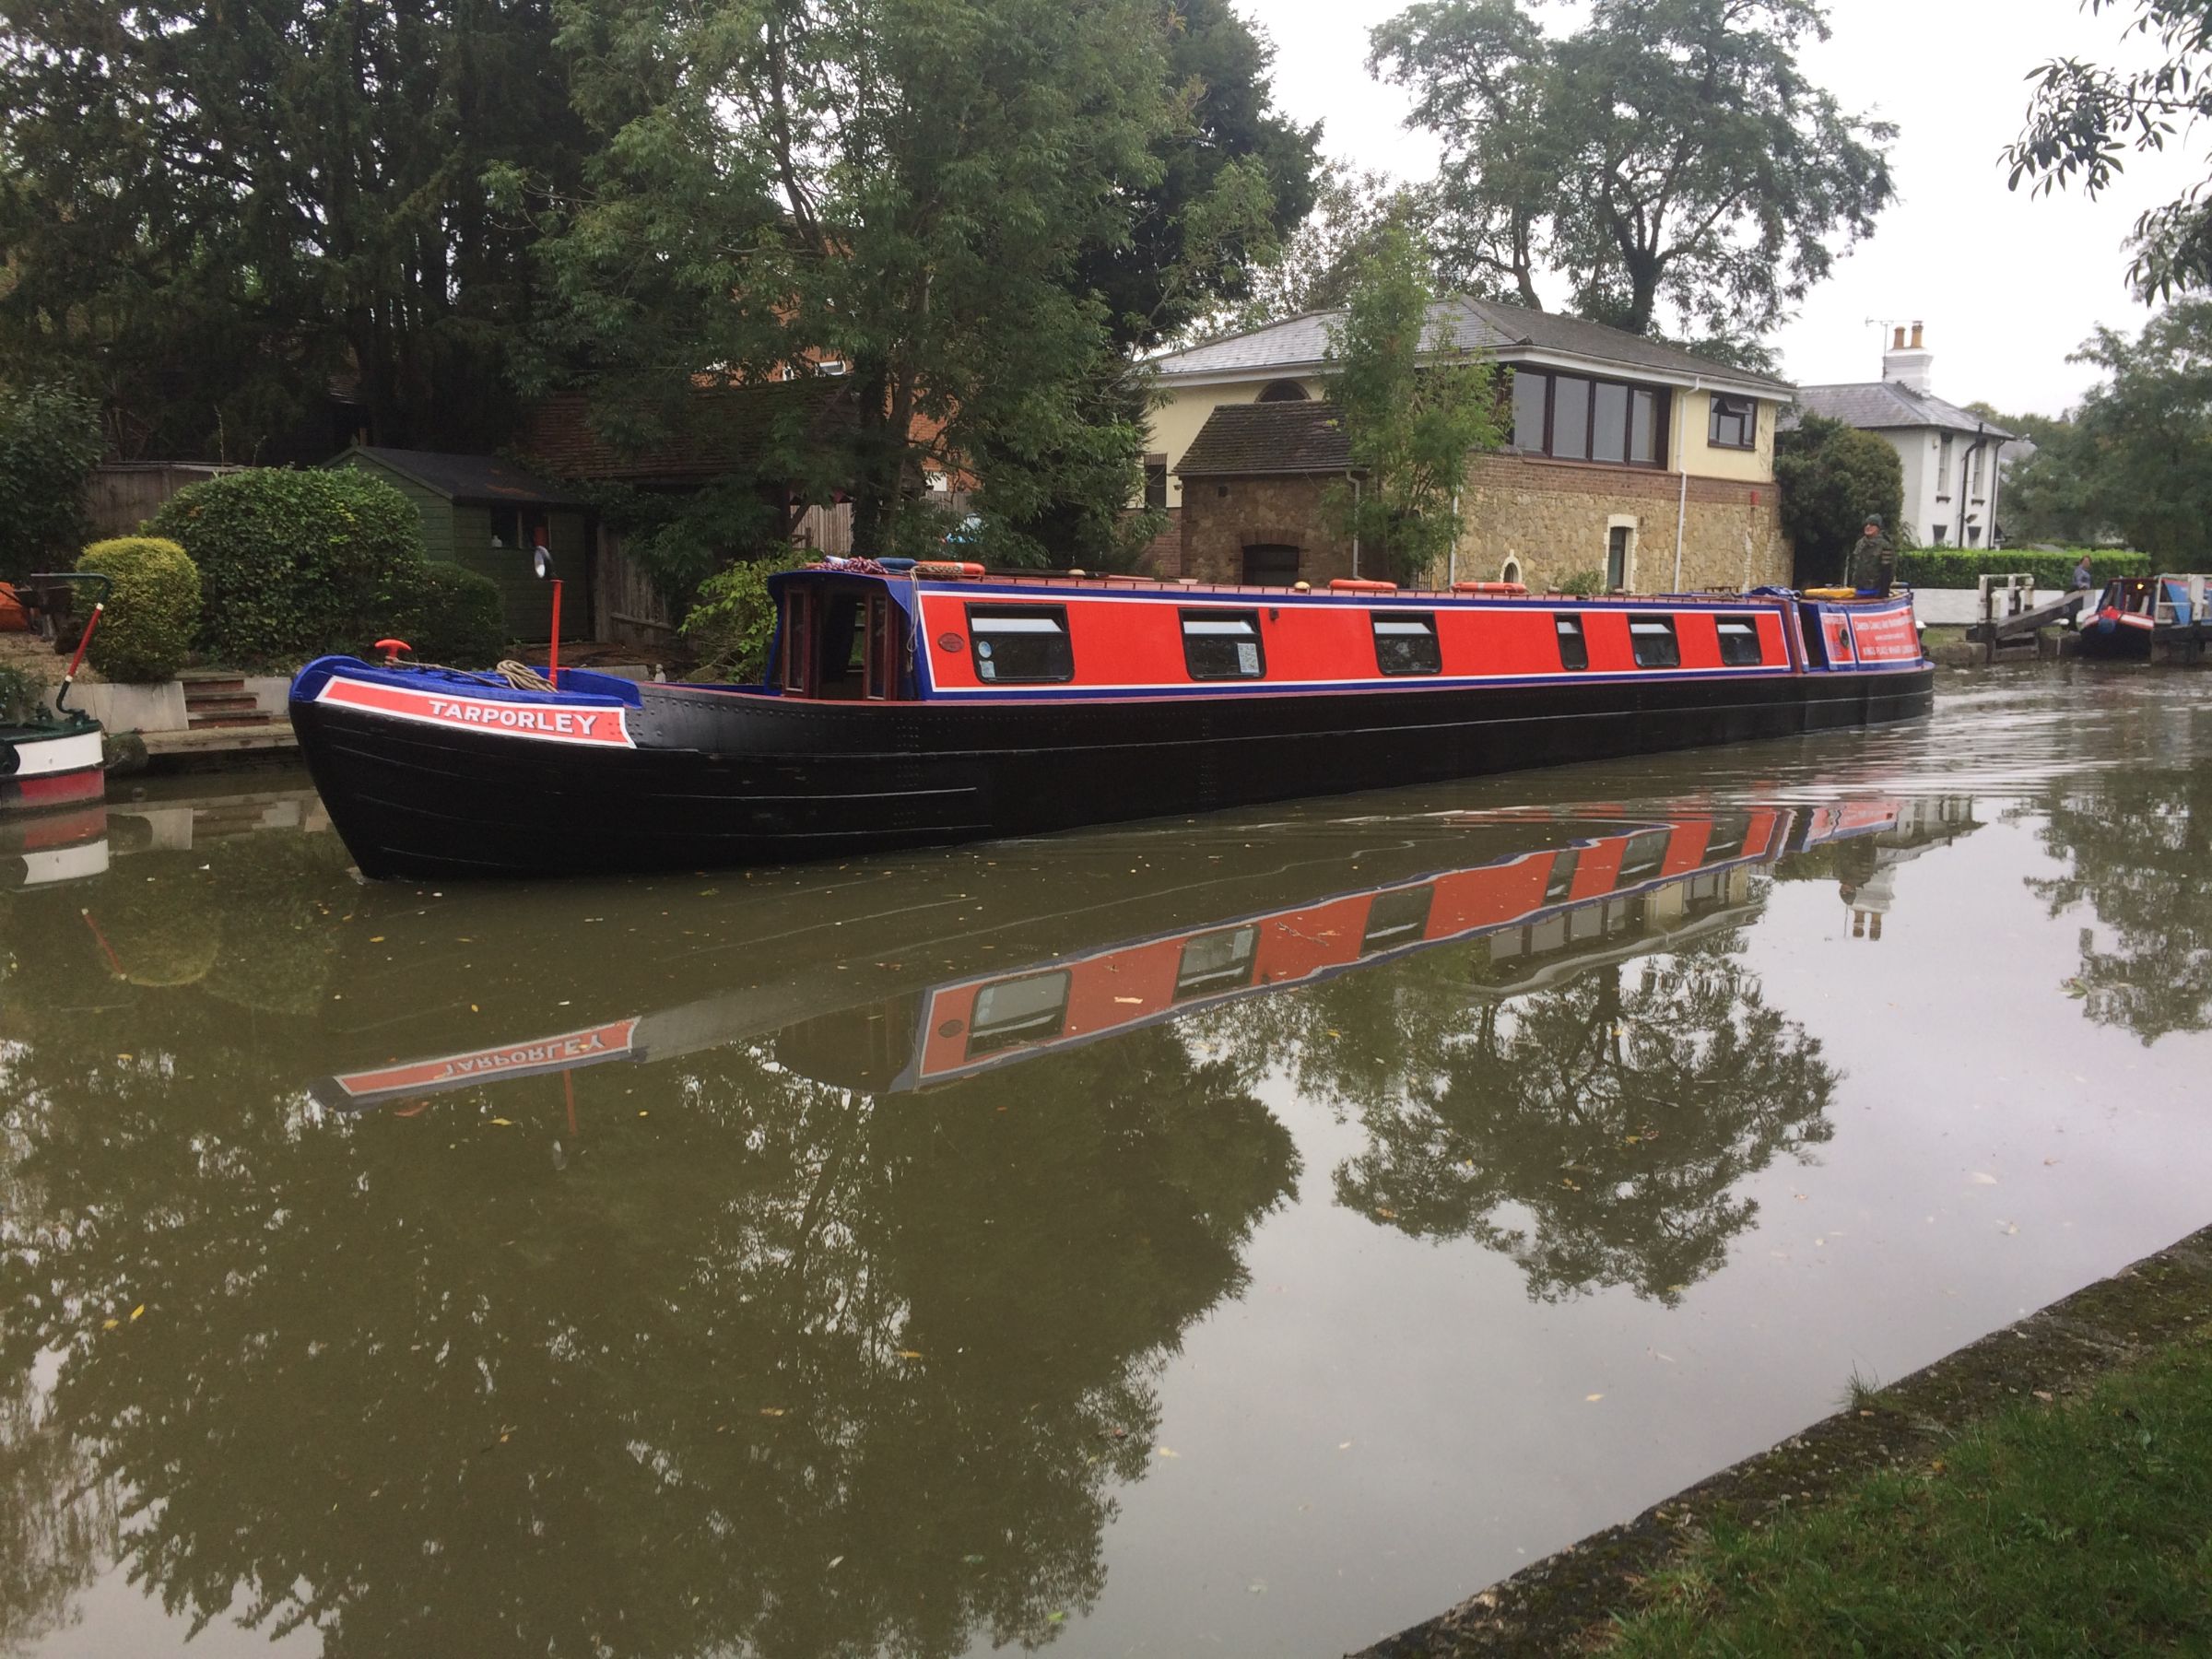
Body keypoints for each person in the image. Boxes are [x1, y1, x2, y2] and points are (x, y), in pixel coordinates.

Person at [1845, 515, 1894, 594]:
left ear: (1878, 528)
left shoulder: (1885, 545)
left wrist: (1883, 593)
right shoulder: (1859, 544)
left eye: (1872, 524)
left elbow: (1887, 571)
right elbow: (1853, 567)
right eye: (1866, 524)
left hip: (1875, 591)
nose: (1868, 526)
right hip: (1857, 589)